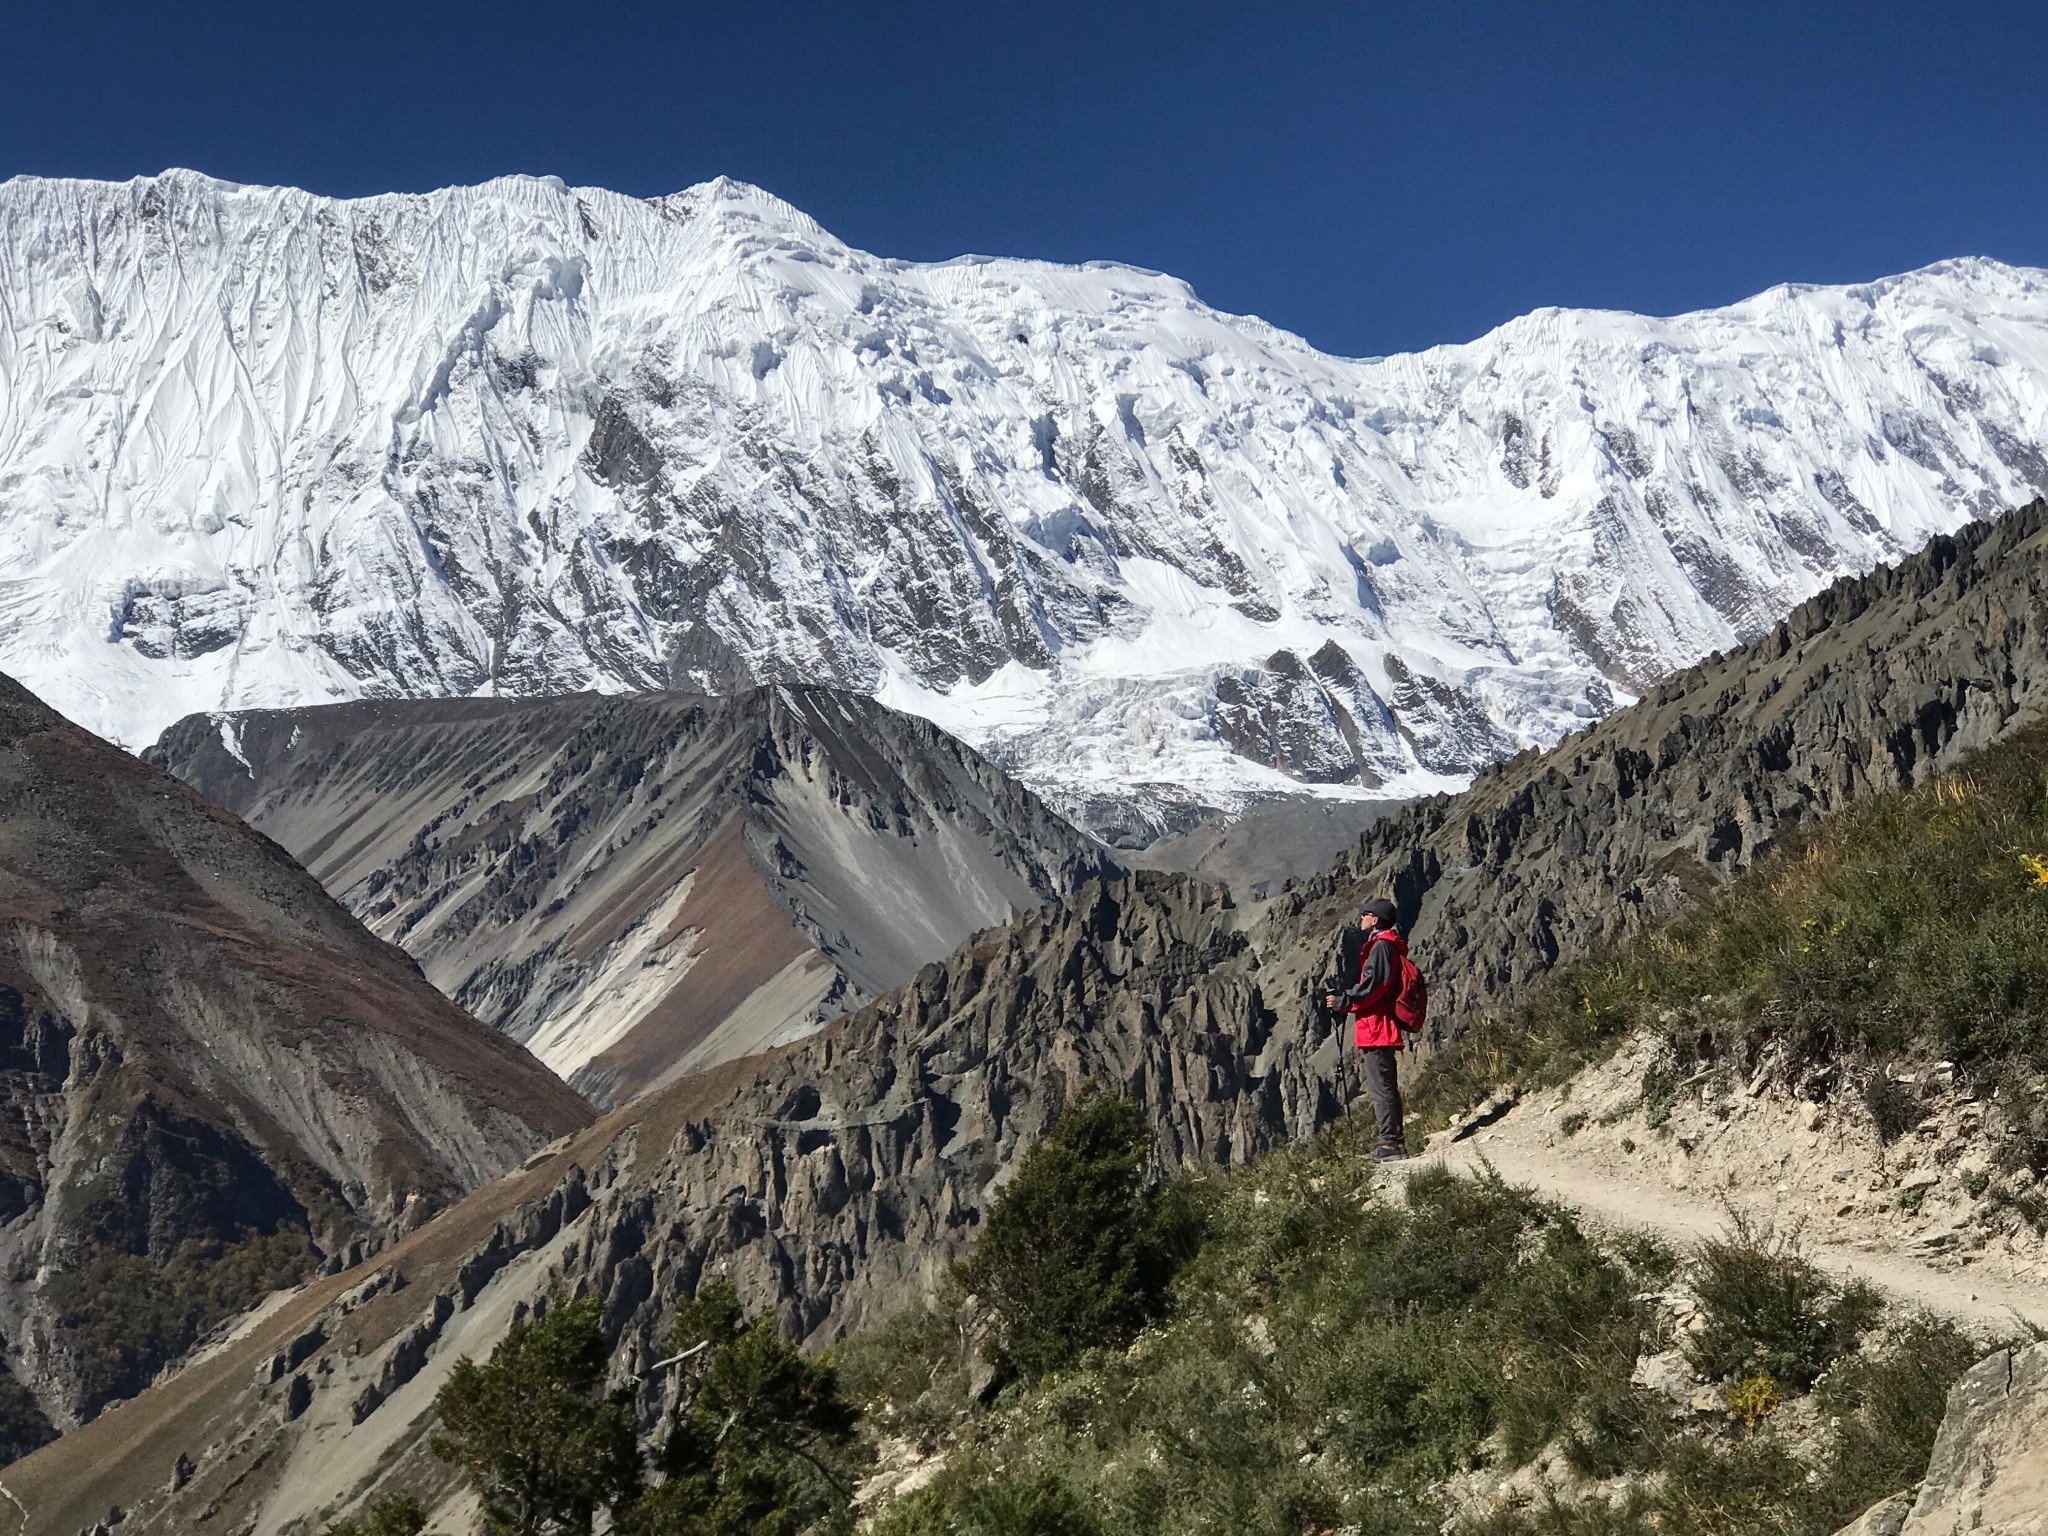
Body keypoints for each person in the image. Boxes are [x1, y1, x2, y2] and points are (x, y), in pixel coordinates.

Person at [1325, 897, 1410, 1160]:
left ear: (1375, 919)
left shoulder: (1382, 947)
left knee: (1381, 1087)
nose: (1361, 918)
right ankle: (1391, 1142)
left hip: (1377, 1028)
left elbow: (1373, 986)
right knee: (1384, 1085)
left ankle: (1390, 1145)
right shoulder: (1387, 946)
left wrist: (1343, 1001)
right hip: (1378, 1026)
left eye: (1365, 914)